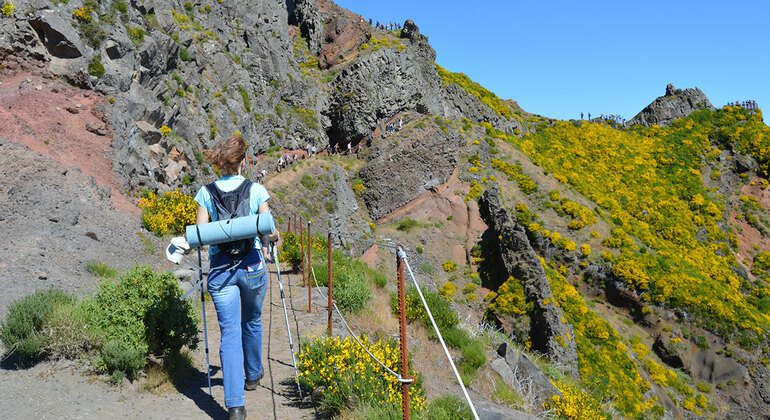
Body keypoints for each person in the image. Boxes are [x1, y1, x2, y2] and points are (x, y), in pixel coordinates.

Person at [194, 134, 279, 420]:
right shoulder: (256, 190)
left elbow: (201, 235)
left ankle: (235, 406)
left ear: (221, 163)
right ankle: (253, 374)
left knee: (229, 332)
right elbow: (268, 231)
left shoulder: (205, 193)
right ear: (243, 161)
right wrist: (274, 236)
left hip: (221, 270)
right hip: (253, 266)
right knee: (252, 320)